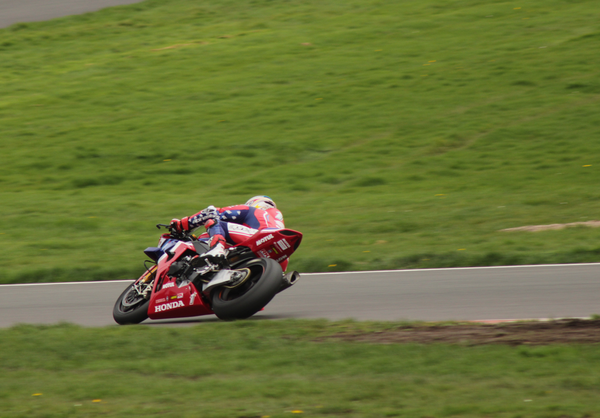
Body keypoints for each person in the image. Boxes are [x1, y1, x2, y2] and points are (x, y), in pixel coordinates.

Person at [169, 195, 289, 270]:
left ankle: (216, 249)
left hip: (257, 237)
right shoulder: (276, 222)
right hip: (280, 261)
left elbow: (213, 212)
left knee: (215, 222)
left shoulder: (254, 211)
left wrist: (183, 224)